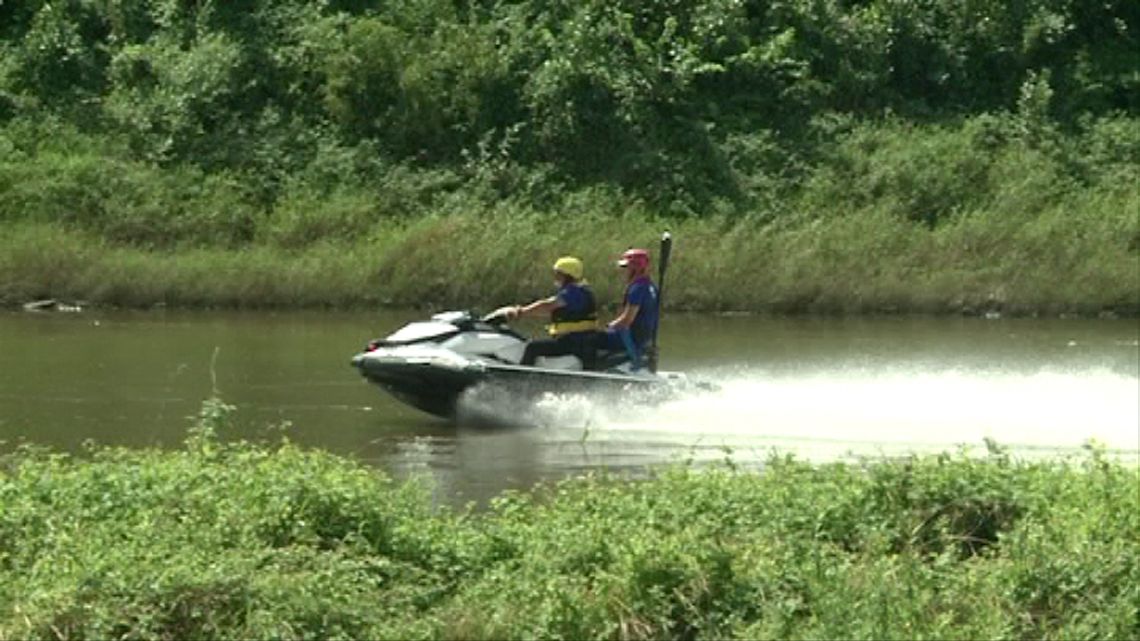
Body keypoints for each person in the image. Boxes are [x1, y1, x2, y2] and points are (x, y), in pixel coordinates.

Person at [506, 256, 599, 369]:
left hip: (575, 342)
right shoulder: (579, 291)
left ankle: (521, 379)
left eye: (558, 273)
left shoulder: (573, 292)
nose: (555, 277)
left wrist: (521, 311)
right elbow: (554, 313)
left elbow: (547, 305)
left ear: (567, 275)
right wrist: (527, 314)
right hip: (580, 340)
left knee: (532, 347)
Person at [600, 248, 659, 371]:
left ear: (636, 268)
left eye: (626, 268)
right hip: (642, 336)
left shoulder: (637, 289)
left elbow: (627, 320)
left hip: (630, 337)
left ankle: (590, 369)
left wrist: (608, 326)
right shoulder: (650, 286)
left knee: (589, 339)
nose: (624, 271)